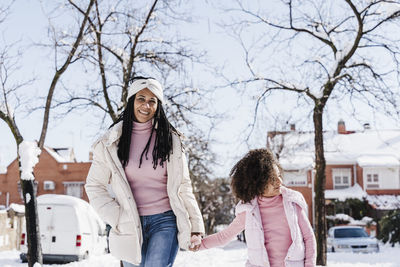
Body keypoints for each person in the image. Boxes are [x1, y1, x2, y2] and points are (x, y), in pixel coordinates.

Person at [85, 77, 204, 267]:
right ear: (132, 100)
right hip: (128, 223)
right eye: (141, 99)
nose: (146, 105)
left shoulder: (171, 141)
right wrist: (115, 216)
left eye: (152, 101)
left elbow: (183, 186)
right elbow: (94, 186)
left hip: (165, 221)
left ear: (159, 105)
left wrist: (196, 226)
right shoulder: (110, 143)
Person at [191, 148, 316, 267]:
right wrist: (198, 245)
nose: (279, 181)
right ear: (257, 182)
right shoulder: (248, 210)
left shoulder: (292, 203)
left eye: (279, 176)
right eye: (272, 178)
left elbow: (309, 237)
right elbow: (224, 237)